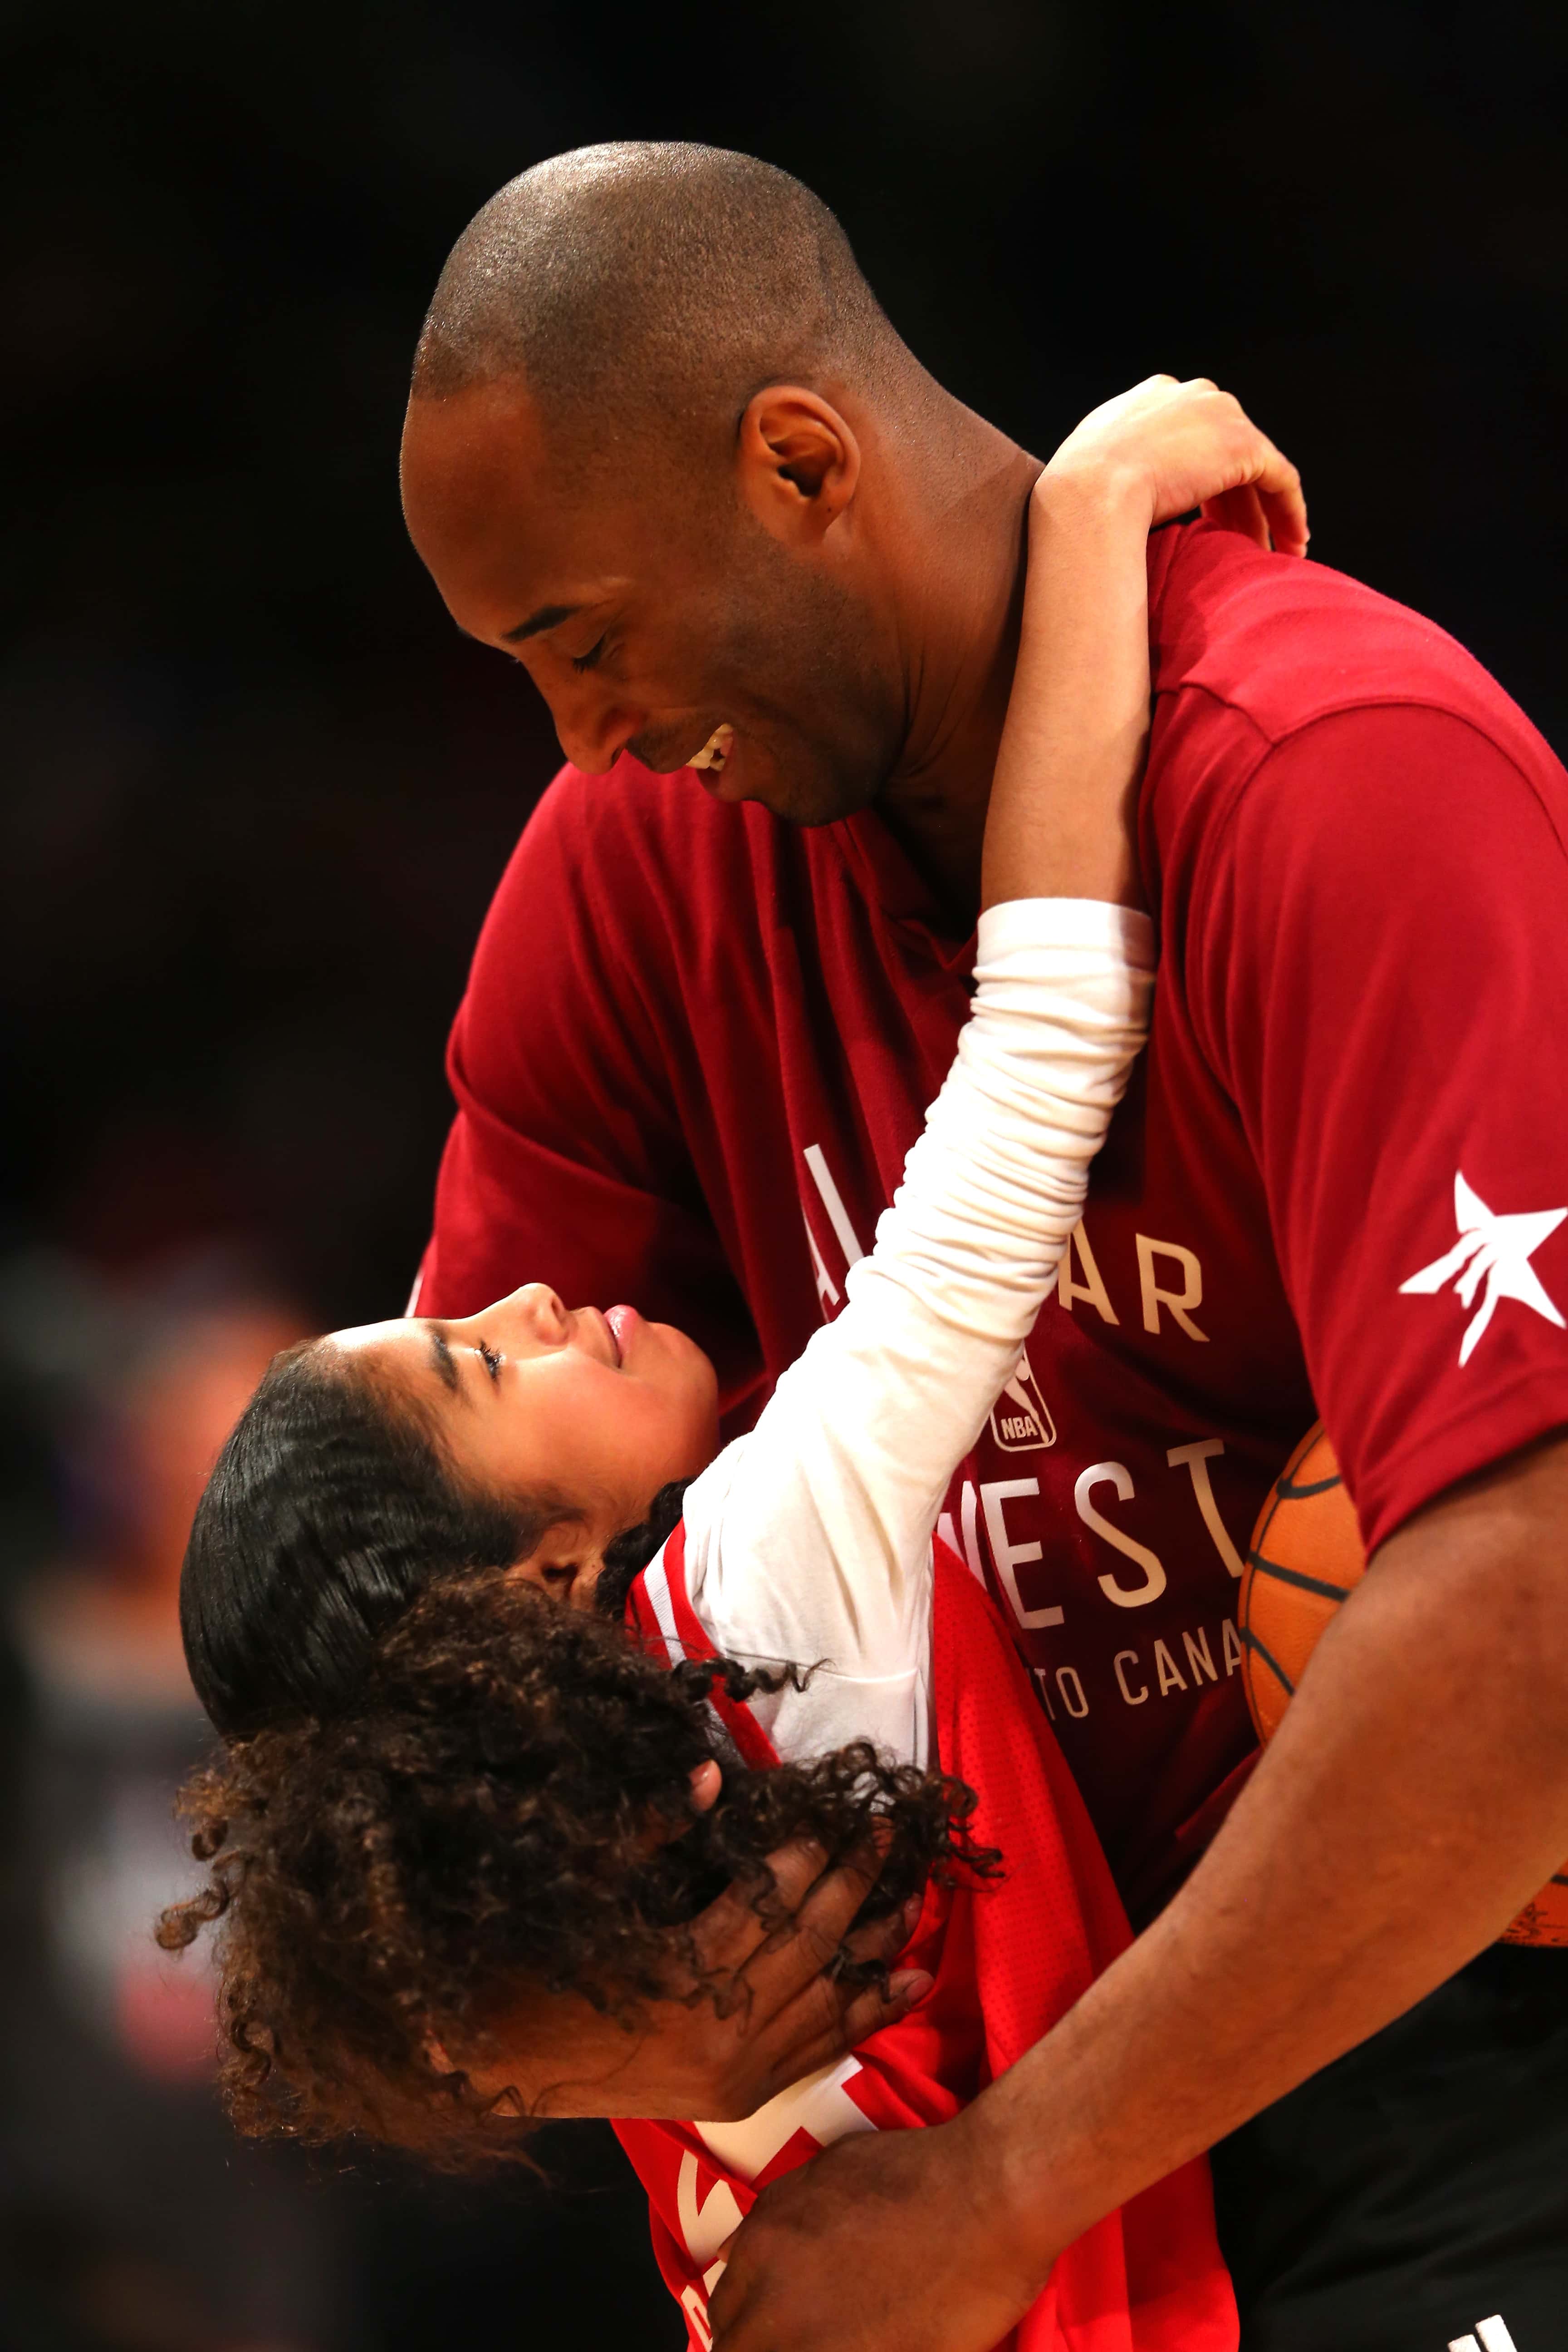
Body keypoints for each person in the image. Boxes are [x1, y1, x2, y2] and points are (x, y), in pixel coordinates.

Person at [396, 143, 1568, 2352]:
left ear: (799, 463)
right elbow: (421, 1640)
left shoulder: (1342, 770)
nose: (583, 737)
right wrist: (550, 2007)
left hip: (1409, 2041)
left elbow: (1530, 1598)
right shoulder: (636, 873)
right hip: (938, 2077)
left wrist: (1014, 2185)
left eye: (586, 639)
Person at [164, 384, 1289, 2348]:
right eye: (474, 1365)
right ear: (537, 1585)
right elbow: (1034, 1059)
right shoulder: (764, 1575)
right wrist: (1096, 520)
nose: (525, 1305)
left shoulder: (548, 1888)